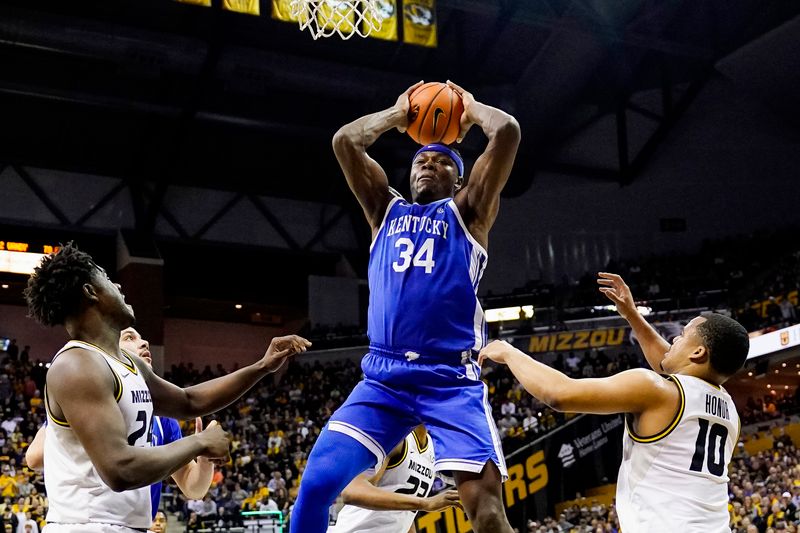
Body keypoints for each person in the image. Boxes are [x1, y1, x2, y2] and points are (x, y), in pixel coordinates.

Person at [292, 80, 520, 533]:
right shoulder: (384, 210)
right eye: (421, 159)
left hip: (449, 378)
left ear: (459, 178)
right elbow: (345, 142)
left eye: (440, 162)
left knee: (488, 513)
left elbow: (507, 131)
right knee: (316, 487)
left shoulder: (469, 212)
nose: (428, 166)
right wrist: (398, 115)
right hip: (384, 378)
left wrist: (470, 109)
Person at [23, 243, 310, 532]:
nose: (118, 284)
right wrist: (198, 443)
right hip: (86, 526)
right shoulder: (76, 365)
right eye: (107, 278)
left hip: (124, 525)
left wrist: (262, 367)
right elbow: (119, 469)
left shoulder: (128, 365)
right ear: (90, 291)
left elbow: (189, 401)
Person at [479, 272, 750, 533]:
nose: (674, 339)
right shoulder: (729, 413)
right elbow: (673, 365)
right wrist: (632, 315)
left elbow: (559, 393)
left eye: (682, 334)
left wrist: (509, 352)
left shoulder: (656, 389)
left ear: (699, 351)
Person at [25, 328, 216, 519]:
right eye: (130, 338)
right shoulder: (88, 398)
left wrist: (206, 460)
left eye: (141, 337)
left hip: (135, 523)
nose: (144, 343)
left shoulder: (164, 417)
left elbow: (193, 489)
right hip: (90, 519)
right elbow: (33, 458)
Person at [327, 426, 461, 533]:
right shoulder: (395, 439)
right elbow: (352, 492)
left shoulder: (432, 450)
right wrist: (425, 503)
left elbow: (404, 514)